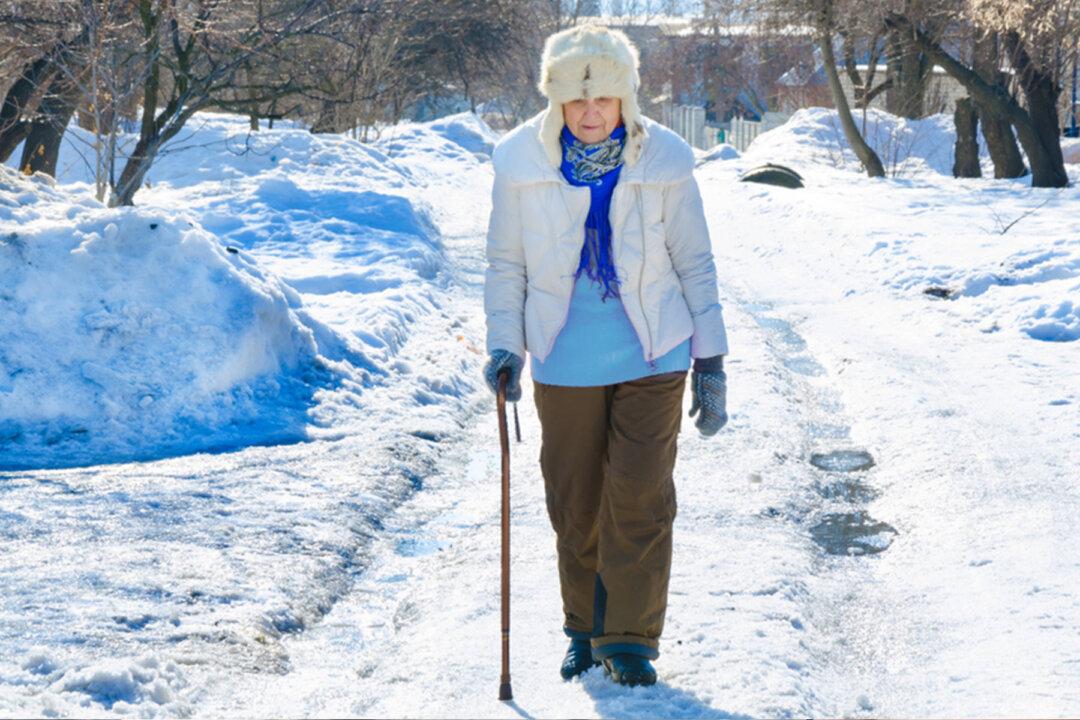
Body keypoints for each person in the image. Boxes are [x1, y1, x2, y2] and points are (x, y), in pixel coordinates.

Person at [482, 24, 730, 688]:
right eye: (577, 103)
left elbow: (695, 263)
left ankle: (630, 638)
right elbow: (506, 265)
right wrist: (505, 344)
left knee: (641, 495)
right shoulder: (521, 167)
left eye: (605, 101)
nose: (592, 114)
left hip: (656, 351)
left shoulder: (665, 162)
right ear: (556, 104)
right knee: (576, 500)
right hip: (564, 356)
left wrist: (712, 361)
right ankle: (584, 628)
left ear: (626, 100)